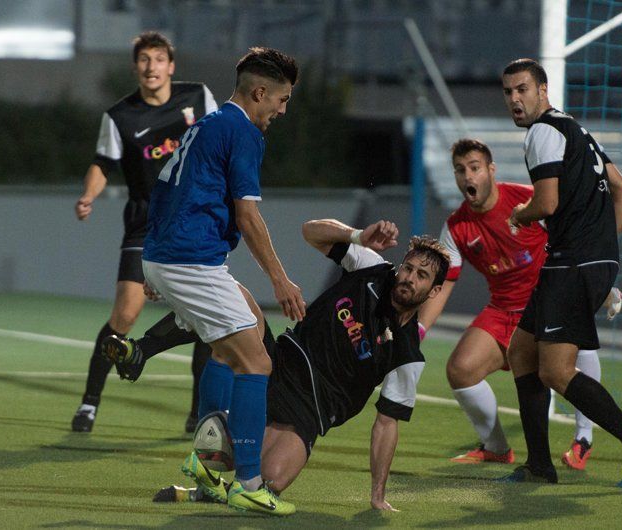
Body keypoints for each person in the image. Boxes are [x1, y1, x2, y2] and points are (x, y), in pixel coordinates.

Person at [108, 218, 451, 512]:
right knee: (234, 298)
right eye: (408, 267)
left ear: (434, 291)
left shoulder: (407, 354)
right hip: (280, 361)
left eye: (422, 275)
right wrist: (357, 235)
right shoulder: (373, 269)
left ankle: (206, 487)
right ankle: (142, 350)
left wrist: (378, 494)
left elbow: (386, 424)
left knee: (269, 482)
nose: (409, 277)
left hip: (311, 410)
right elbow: (311, 232)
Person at [135, 46, 305, 516]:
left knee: (240, 330)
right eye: (282, 99)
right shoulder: (243, 132)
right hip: (190, 260)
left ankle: (209, 466)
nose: (282, 110)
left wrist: (157, 262)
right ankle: (248, 482)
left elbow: (165, 189)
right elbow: (248, 217)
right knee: (257, 363)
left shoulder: (206, 125)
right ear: (259, 92)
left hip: (175, 256)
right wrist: (282, 280)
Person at [500, 58, 622, 488]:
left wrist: (520, 213)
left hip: (572, 261)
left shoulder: (543, 132)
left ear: (543, 89)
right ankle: (539, 464)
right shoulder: (577, 130)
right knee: (521, 351)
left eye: (522, 89)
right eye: (508, 92)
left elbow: (547, 204)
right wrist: (604, 254)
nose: (515, 99)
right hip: (584, 259)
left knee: (555, 370)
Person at [418, 138, 622, 471]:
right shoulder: (455, 227)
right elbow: (445, 283)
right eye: (460, 170)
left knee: (575, 350)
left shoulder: (528, 200)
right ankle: (497, 447)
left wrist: (603, 284)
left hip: (550, 299)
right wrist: (420, 328)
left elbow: (577, 237)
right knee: (461, 369)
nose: (468, 176)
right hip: (503, 309)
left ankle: (583, 438)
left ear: (490, 170)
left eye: (474, 168)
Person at [71, 31, 219, 434]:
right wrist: (88, 195)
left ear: (171, 66)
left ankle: (198, 412)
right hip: (146, 222)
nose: (151, 67)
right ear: (136, 67)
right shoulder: (120, 116)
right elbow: (103, 163)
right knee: (125, 313)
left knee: (207, 315)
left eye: (158, 59)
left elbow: (221, 141)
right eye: (144, 60)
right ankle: (89, 403)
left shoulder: (198, 98)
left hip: (194, 221)